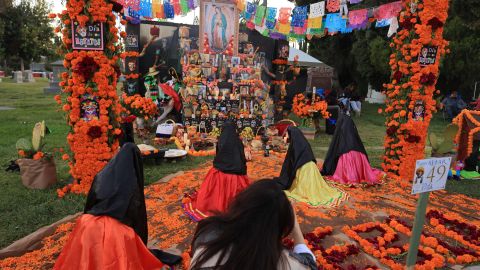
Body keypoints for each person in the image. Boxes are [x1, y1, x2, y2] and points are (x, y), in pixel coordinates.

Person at [54, 143, 181, 270]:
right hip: (114, 231)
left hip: (87, 225)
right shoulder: (131, 184)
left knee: (88, 257)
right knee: (120, 245)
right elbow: (135, 215)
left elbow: (90, 203)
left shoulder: (102, 175)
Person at [189, 180, 317, 270]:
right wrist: (295, 226)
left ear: (240, 205)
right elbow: (310, 264)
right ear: (282, 230)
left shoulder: (207, 234)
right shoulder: (289, 263)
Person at [183, 121, 250, 221]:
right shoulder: (238, 142)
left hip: (220, 171)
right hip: (236, 174)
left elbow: (218, 155)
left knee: (215, 193)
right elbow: (242, 158)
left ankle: (216, 206)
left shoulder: (221, 140)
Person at [276, 126, 347, 207]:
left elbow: (290, 162)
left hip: (303, 168)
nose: (286, 135)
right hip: (311, 167)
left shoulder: (296, 145)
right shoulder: (302, 142)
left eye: (287, 134)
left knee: (305, 187)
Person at [321, 113, 384, 185]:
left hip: (346, 169)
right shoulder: (357, 143)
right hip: (360, 170)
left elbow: (334, 154)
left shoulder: (342, 142)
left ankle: (352, 178)